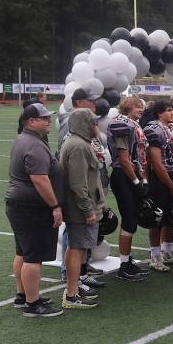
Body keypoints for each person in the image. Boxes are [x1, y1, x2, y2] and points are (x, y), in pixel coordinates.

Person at [6, 103, 64, 317]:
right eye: (44, 118)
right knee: (33, 256)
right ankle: (33, 303)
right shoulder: (34, 144)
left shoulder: (26, 139)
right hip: (32, 207)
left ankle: (22, 295)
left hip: (19, 204)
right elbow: (40, 180)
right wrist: (55, 205)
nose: (49, 121)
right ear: (31, 121)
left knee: (23, 251)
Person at [59, 108, 103, 310]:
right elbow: (78, 183)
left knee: (77, 248)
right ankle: (71, 293)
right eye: (93, 123)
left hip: (81, 206)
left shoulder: (80, 143)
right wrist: (88, 209)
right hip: (80, 208)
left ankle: (73, 289)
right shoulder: (78, 146)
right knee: (77, 248)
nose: (97, 126)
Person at [106, 96, 149, 283]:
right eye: (137, 106)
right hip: (123, 175)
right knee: (129, 219)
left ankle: (127, 260)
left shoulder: (132, 124)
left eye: (141, 106)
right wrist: (135, 182)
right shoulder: (121, 125)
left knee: (132, 219)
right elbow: (123, 159)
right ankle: (124, 265)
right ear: (127, 107)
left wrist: (142, 178)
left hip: (131, 174)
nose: (141, 109)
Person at [144, 99, 173, 272]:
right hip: (160, 179)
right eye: (169, 110)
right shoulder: (153, 129)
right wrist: (171, 185)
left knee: (170, 215)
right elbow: (156, 163)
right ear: (159, 112)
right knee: (158, 217)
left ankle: (168, 251)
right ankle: (155, 256)